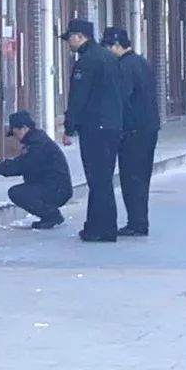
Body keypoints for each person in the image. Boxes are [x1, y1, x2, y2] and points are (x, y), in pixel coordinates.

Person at [60, 18, 124, 242]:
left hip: (95, 127)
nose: (68, 43)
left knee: (97, 179)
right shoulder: (109, 57)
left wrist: (69, 126)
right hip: (113, 125)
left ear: (79, 36)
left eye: (69, 38)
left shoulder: (87, 62)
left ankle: (101, 228)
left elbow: (78, 97)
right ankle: (99, 224)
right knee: (104, 177)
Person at [101, 27, 160, 237]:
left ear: (116, 46)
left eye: (108, 47)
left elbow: (121, 99)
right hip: (149, 127)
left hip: (134, 130)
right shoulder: (142, 63)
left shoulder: (124, 67)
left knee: (131, 177)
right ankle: (139, 220)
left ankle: (136, 222)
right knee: (142, 176)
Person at [0, 111, 73, 229]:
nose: (15, 138)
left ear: (24, 128)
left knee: (17, 193)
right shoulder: (36, 140)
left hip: (56, 189)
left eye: (15, 133)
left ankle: (51, 215)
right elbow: (22, 162)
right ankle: (49, 215)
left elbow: (22, 165)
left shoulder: (37, 144)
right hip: (53, 186)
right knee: (24, 190)